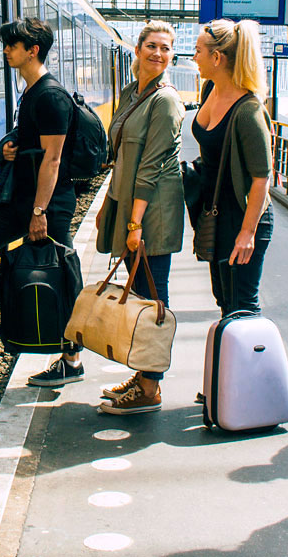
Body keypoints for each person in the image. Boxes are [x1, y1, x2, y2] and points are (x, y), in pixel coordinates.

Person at [0, 17, 83, 387]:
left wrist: (38, 212)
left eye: (12, 45)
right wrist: (10, 150)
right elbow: (37, 147)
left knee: (62, 272)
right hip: (26, 198)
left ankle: (71, 360)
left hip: (47, 204)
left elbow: (53, 159)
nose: (5, 50)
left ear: (32, 50)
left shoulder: (51, 96)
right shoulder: (32, 91)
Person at [94, 21, 185, 415]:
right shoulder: (134, 93)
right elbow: (122, 158)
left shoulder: (165, 101)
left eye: (165, 49)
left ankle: (150, 387)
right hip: (132, 206)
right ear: (137, 48)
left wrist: (134, 224)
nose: (158, 54)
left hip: (152, 213)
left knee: (152, 298)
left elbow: (148, 167)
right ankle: (143, 376)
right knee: (144, 295)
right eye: (152, 46)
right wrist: (107, 206)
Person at [190, 19, 274, 317]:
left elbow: (262, 178)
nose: (194, 57)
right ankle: (228, 363)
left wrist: (247, 233)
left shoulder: (249, 111)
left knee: (242, 305)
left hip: (243, 216)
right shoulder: (210, 90)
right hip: (216, 213)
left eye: (198, 51)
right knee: (225, 301)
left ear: (217, 57)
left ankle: (253, 363)